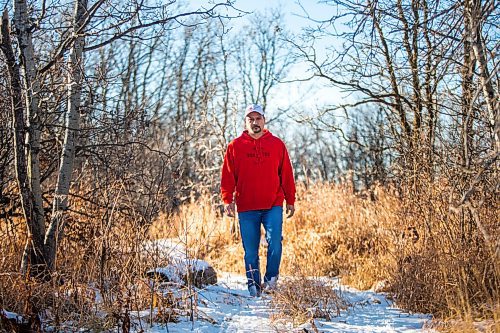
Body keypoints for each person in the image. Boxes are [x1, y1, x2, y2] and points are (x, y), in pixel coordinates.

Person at [220, 103, 296, 297]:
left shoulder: (277, 144)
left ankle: (271, 280)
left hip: (273, 204)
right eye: (250, 119)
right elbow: (228, 176)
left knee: (275, 242)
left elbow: (286, 173)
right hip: (247, 206)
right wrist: (227, 200)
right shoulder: (235, 146)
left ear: (264, 120)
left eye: (258, 118)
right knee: (251, 249)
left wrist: (291, 199)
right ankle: (253, 285)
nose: (255, 122)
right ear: (245, 122)